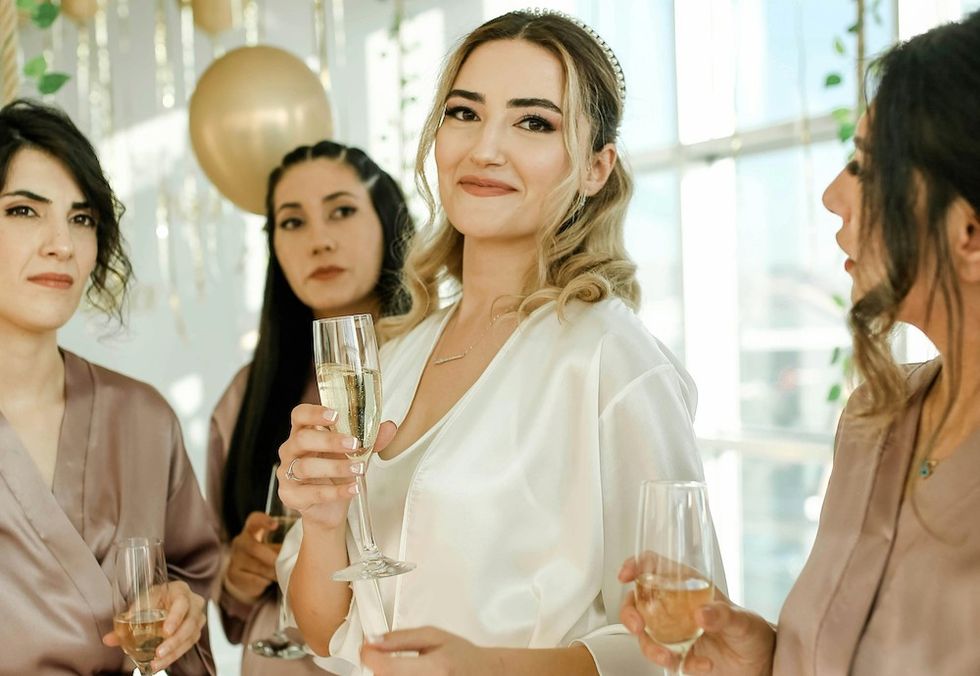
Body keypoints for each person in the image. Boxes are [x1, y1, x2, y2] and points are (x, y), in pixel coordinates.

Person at [275, 10, 723, 676]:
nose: (485, 148)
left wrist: (487, 666)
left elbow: (686, 643)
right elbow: (320, 632)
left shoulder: (609, 359)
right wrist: (320, 521)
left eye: (534, 122)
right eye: (464, 113)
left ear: (597, 168)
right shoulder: (396, 353)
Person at [619, 10, 980, 675]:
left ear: (971, 233)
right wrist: (769, 661)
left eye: (867, 170)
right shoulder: (876, 418)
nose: (831, 195)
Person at [0, 99, 219, 674]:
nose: (62, 245)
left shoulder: (142, 417)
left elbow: (195, 578)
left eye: (81, 218)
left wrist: (184, 610)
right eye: (24, 211)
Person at [206, 140, 413, 675]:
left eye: (342, 211)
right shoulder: (245, 399)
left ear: (388, 222)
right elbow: (222, 585)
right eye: (293, 222)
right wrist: (237, 572)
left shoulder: (431, 366)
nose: (319, 240)